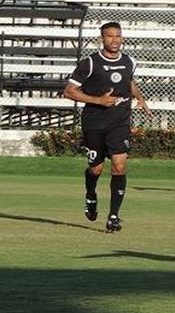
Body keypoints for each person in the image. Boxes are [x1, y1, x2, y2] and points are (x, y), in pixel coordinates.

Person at [63, 21, 153, 233]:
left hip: (119, 123)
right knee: (96, 168)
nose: (115, 40)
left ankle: (114, 216)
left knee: (119, 166)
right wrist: (98, 101)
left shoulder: (130, 61)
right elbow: (69, 92)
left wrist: (140, 98)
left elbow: (129, 81)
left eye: (118, 36)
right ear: (101, 39)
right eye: (110, 36)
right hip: (94, 123)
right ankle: (91, 195)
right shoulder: (90, 63)